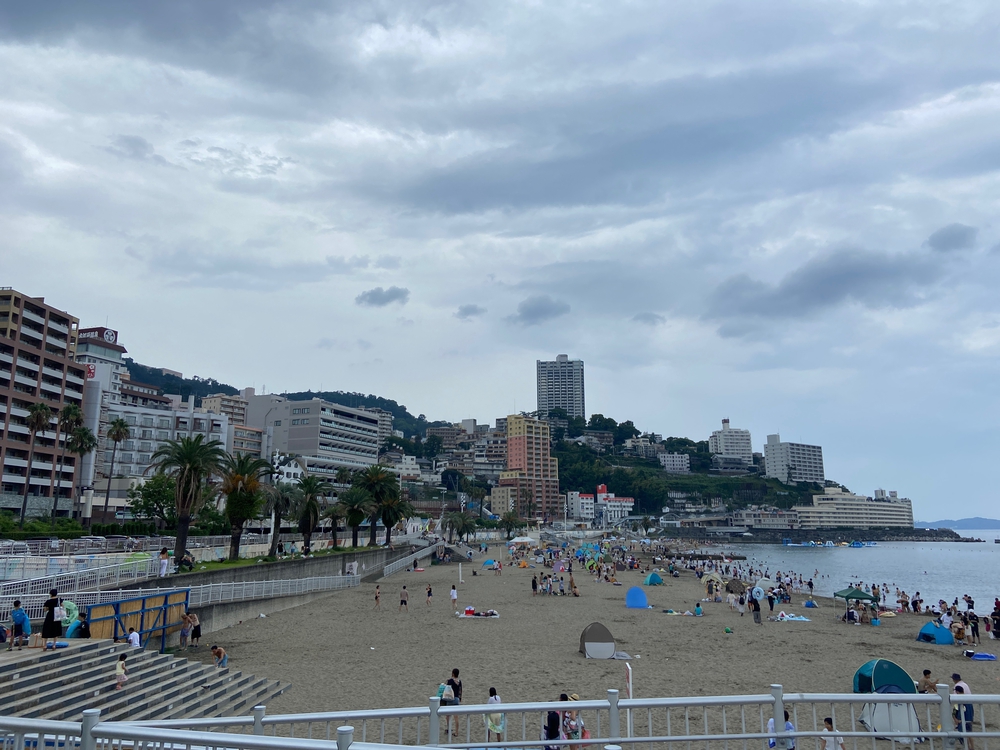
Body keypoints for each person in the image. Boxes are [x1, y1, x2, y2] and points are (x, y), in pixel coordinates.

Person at [954, 685, 975, 750]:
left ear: (957, 692)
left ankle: (968, 747)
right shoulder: (968, 699)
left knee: (963, 735)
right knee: (969, 734)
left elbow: (955, 711)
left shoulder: (959, 700)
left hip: (962, 721)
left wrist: (956, 719)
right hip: (969, 719)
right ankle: (972, 747)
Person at [446, 669, 463, 735]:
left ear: (453, 673)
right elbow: (460, 691)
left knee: (448, 716)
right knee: (456, 716)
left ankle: (449, 729)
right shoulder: (459, 682)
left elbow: (447, 689)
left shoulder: (450, 681)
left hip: (450, 699)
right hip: (456, 699)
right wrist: (460, 698)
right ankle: (456, 732)